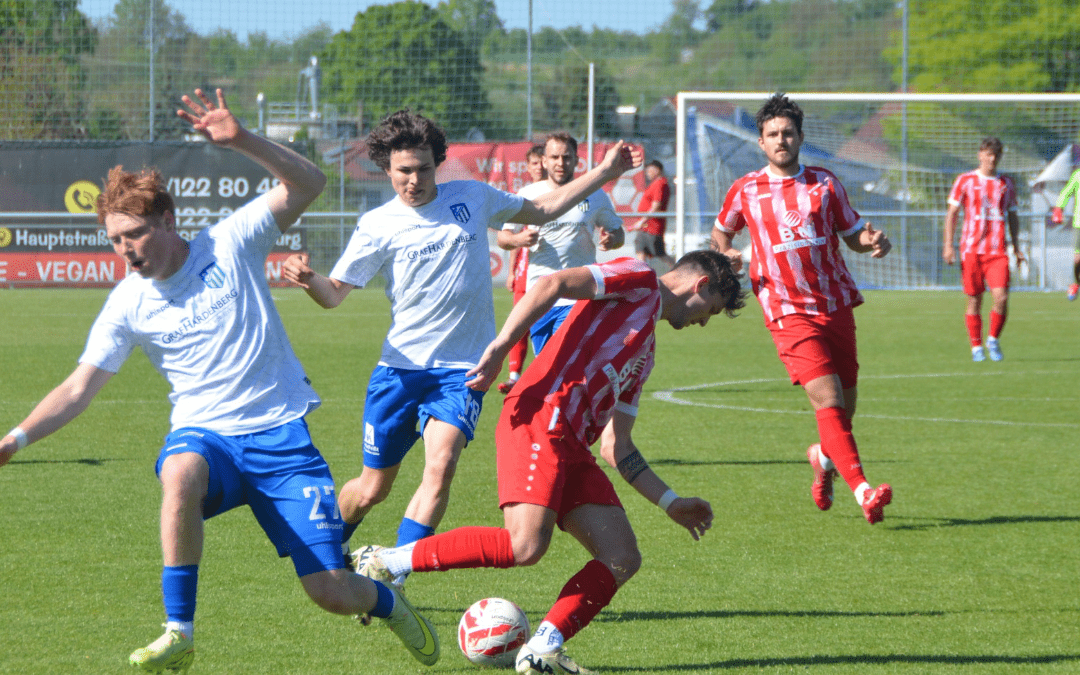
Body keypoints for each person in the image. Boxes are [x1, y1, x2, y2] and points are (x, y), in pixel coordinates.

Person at [0, 89, 440, 672]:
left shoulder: (229, 243)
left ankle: (389, 604)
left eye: (134, 233)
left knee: (331, 591)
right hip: (207, 438)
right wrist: (15, 439)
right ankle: (178, 629)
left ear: (167, 219)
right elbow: (79, 387)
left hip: (282, 441)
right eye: (114, 239)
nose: (125, 249)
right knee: (179, 470)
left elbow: (309, 184)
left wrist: (241, 141)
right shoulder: (128, 302)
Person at [281, 111, 641, 591]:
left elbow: (544, 210)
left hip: (461, 371)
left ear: (438, 164)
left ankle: (391, 574)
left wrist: (604, 172)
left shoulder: (471, 197)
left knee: (442, 463)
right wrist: (307, 280)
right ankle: (328, 554)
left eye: (424, 169)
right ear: (387, 169)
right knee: (371, 489)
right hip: (399, 371)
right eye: (404, 170)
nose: (414, 180)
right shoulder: (377, 224)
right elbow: (333, 294)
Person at [357, 250, 745, 675]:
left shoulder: (646, 354)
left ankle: (543, 650)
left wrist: (671, 503)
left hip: (573, 445)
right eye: (710, 311)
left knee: (622, 556)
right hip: (540, 417)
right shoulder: (638, 278)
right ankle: (386, 560)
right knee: (524, 545)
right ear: (700, 286)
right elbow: (553, 283)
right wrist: (502, 348)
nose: (703, 322)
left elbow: (618, 447)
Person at [710, 93, 894, 525]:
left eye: (788, 133)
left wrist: (873, 242)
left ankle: (822, 459)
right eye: (772, 134)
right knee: (827, 401)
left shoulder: (825, 184)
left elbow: (853, 236)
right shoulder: (746, 189)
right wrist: (728, 257)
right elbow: (720, 235)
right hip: (785, 310)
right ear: (761, 142)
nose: (781, 140)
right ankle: (864, 491)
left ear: (800, 138)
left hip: (835, 305)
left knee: (843, 411)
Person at [500, 132, 627, 354]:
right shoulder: (528, 194)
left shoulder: (594, 194)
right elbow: (504, 237)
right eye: (555, 157)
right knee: (544, 366)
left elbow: (618, 232)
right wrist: (518, 239)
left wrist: (612, 239)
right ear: (544, 161)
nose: (561, 163)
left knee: (562, 360)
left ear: (577, 161)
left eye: (567, 157)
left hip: (577, 295)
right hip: (538, 296)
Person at [943, 137, 1025, 361]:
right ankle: (976, 346)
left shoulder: (1006, 183)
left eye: (996, 154)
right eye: (988, 153)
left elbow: (1013, 215)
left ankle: (993, 339)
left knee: (1002, 297)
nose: (992, 158)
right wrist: (948, 245)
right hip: (971, 250)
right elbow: (952, 214)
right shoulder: (965, 180)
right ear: (980, 154)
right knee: (975, 300)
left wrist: (1017, 247)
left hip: (997, 251)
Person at [498, 144, 547, 395]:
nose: (539, 167)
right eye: (534, 163)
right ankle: (515, 375)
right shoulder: (524, 197)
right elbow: (514, 235)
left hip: (552, 271)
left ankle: (547, 372)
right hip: (525, 269)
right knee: (520, 320)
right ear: (528, 167)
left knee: (548, 321)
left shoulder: (559, 193)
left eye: (542, 162)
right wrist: (511, 271)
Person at [630, 159, 676, 269]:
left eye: (650, 170)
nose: (647, 173)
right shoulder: (654, 184)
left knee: (660, 253)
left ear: (657, 170)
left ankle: (679, 270)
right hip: (645, 228)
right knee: (640, 250)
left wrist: (642, 221)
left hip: (653, 227)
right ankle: (643, 276)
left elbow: (656, 206)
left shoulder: (661, 183)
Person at [1049, 165, 1080, 301]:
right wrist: (1059, 208)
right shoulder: (1078, 175)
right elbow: (1067, 192)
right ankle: (1075, 283)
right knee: (1077, 258)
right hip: (1079, 224)